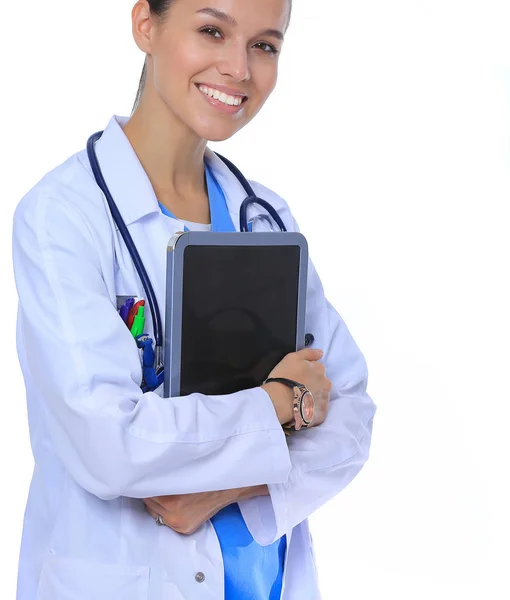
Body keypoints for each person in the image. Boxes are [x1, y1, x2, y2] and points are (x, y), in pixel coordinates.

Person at [11, 0, 376, 598]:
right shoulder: (63, 217)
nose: (239, 68)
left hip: (262, 578)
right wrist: (282, 404)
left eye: (265, 45)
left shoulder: (264, 217)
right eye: (212, 31)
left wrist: (232, 486)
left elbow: (352, 414)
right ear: (145, 25)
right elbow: (110, 444)